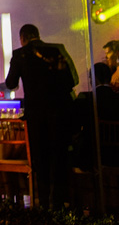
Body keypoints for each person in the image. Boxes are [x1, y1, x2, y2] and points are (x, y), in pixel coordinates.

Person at [4, 23, 78, 208]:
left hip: (35, 114)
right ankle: (58, 202)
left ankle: (43, 202)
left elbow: (11, 83)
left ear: (23, 38)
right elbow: (72, 80)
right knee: (59, 157)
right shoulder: (57, 50)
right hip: (59, 113)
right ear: (37, 35)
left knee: (40, 158)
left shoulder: (20, 55)